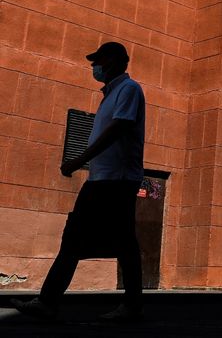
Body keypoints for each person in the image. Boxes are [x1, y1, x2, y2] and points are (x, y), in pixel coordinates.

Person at [12, 41, 146, 323]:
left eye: (99, 60)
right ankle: (48, 301)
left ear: (115, 61)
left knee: (122, 241)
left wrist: (80, 159)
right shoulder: (110, 94)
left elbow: (120, 128)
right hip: (101, 179)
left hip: (117, 180)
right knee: (79, 238)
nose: (94, 66)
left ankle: (130, 305)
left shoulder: (129, 89)